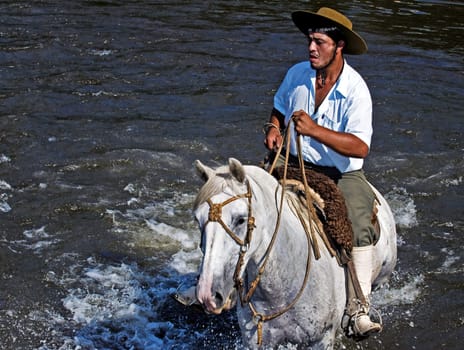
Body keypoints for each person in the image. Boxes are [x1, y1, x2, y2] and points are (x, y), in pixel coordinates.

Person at [263, 7, 381, 337]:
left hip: (340, 175)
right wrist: (273, 128)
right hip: (292, 163)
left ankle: (359, 308)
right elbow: (278, 108)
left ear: (338, 45)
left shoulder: (356, 90)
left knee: (357, 224)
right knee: (247, 199)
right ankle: (224, 286)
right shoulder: (297, 74)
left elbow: (360, 147)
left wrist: (315, 131)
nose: (311, 48)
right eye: (309, 41)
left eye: (319, 42)